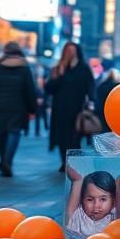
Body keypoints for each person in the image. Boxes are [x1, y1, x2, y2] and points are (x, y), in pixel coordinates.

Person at [0, 42, 37, 177]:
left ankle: (3, 161)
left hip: (0, 106)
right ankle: (7, 161)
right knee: (14, 132)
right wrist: (32, 109)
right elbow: (29, 90)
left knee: (2, 134)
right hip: (18, 106)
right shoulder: (24, 68)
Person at [46, 42, 94, 172]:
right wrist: (60, 74)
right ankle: (64, 161)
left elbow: (90, 86)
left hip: (77, 108)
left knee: (75, 137)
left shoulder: (83, 68)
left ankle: (73, 163)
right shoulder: (58, 68)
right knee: (62, 137)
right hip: (60, 108)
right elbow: (49, 88)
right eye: (67, 51)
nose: (70, 53)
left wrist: (91, 101)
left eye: (72, 50)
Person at [65, 167, 119, 237]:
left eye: (103, 199)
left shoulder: (115, 217)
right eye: (90, 199)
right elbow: (77, 180)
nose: (96, 205)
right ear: (81, 201)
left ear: (113, 202)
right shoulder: (77, 216)